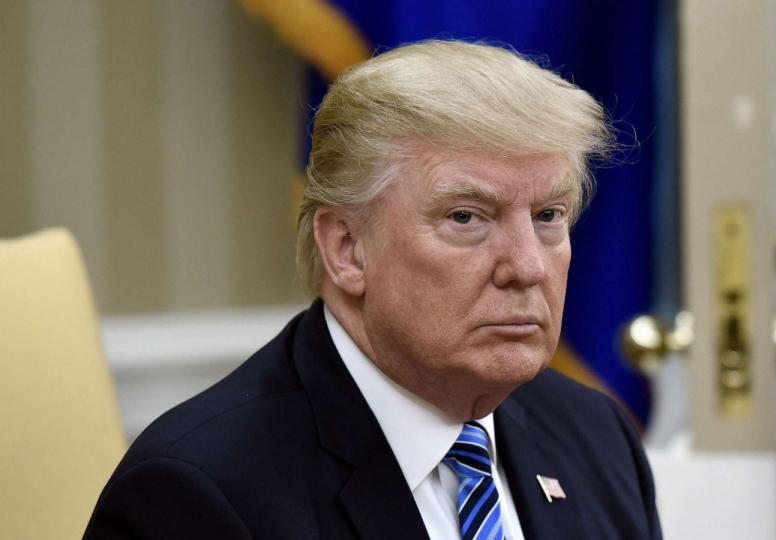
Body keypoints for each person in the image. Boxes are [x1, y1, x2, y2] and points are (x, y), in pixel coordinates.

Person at [84, 40, 661, 540]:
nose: (528, 266)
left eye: (548, 215)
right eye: (466, 217)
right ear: (346, 249)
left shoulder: (595, 435)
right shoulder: (199, 494)